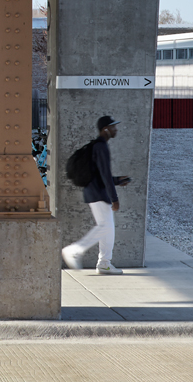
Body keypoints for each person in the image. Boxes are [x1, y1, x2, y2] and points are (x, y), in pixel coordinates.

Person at [62, 115, 131, 274]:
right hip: (97, 193)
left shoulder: (98, 146)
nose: (116, 129)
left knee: (108, 229)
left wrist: (117, 181)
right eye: (113, 127)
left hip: (95, 191)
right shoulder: (101, 147)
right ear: (105, 129)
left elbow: (100, 174)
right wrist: (115, 198)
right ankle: (75, 250)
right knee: (105, 227)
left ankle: (104, 263)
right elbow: (104, 174)